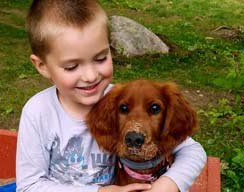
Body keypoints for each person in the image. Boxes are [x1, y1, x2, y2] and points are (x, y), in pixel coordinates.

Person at [16, 0, 207, 192]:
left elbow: (193, 150)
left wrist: (169, 183)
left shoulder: (119, 98)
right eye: (72, 66)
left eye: (101, 58)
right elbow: (29, 186)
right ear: (42, 66)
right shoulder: (38, 112)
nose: (90, 76)